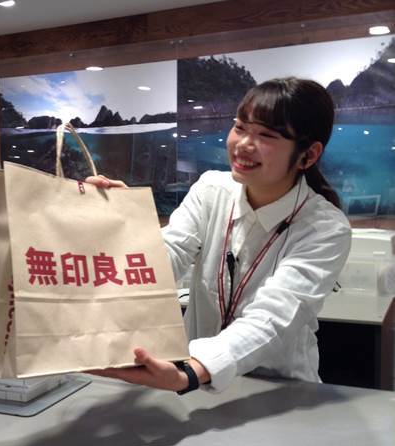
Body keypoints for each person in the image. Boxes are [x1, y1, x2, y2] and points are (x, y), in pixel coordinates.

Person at [86, 77, 351, 395]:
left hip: (279, 391)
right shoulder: (211, 189)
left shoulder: (325, 227)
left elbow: (275, 316)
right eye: (240, 127)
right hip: (191, 383)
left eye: (266, 135)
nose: (243, 144)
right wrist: (128, 225)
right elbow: (169, 256)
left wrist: (192, 371)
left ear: (308, 155)